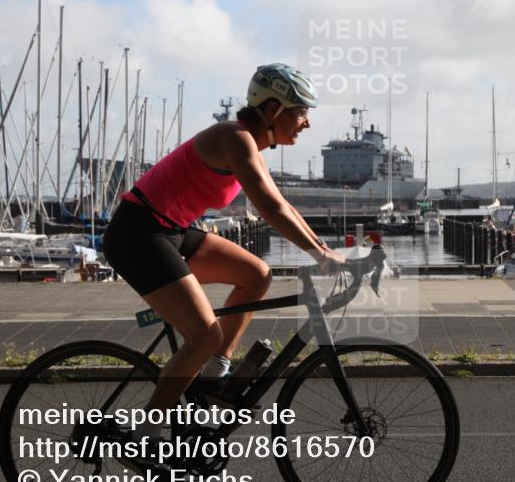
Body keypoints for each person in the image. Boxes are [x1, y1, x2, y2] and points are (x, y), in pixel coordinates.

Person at [103, 63, 345, 416]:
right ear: (272, 109)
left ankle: (213, 375)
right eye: (301, 112)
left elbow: (282, 205)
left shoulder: (248, 146)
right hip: (137, 234)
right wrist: (321, 256)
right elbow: (270, 209)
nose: (306, 122)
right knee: (204, 336)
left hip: (171, 230)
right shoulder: (234, 138)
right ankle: (148, 435)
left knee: (257, 275)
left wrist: (324, 251)